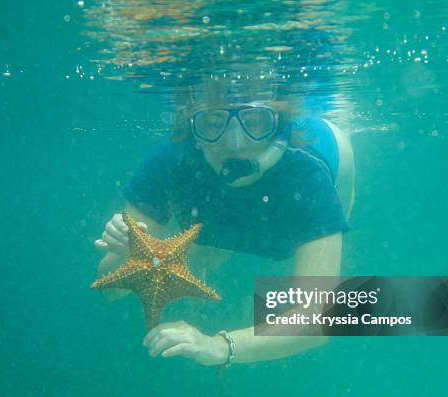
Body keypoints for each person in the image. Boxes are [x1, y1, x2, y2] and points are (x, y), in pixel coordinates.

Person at [94, 76, 355, 367]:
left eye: (255, 121)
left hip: (332, 150)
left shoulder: (308, 176)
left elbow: (317, 321)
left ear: (278, 125)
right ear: (192, 123)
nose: (233, 142)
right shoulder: (170, 161)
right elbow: (111, 290)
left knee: (321, 257)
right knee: (203, 249)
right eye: (214, 122)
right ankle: (217, 247)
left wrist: (220, 347)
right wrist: (124, 251)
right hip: (217, 226)